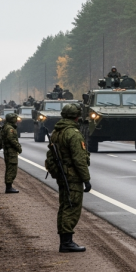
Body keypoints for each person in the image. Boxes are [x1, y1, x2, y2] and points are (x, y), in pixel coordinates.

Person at [45, 103, 90, 253]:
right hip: (72, 176)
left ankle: (65, 240)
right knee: (72, 206)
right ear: (76, 116)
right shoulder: (73, 133)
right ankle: (67, 242)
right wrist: (86, 179)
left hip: (62, 175)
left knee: (65, 206)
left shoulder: (57, 132)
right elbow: (79, 159)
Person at [1, 113, 23, 193]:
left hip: (8, 151)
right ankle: (9, 187)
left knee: (10, 168)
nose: (16, 120)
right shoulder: (10, 128)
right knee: (11, 169)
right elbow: (12, 140)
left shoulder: (6, 127)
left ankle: (9, 186)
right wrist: (19, 147)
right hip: (11, 151)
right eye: (15, 118)